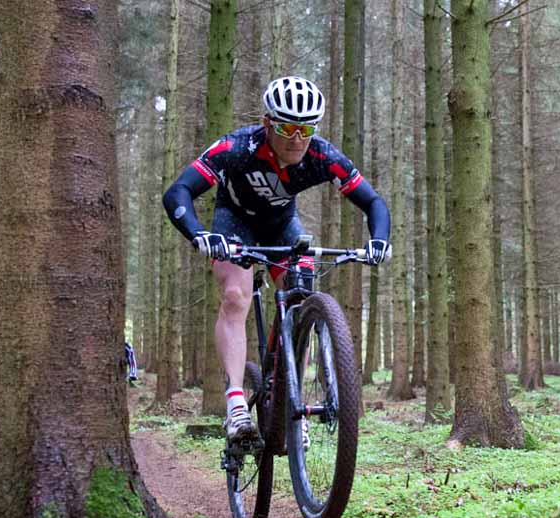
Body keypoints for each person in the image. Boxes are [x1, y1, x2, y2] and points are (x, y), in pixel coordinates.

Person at [162, 76, 391, 443]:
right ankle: (236, 402)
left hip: (283, 227)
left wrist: (379, 240)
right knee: (236, 295)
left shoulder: (322, 156)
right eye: (286, 127)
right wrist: (200, 235)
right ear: (268, 123)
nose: (297, 139)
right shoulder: (237, 148)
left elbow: (373, 202)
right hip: (234, 224)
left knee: (301, 299)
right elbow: (179, 191)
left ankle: (290, 397)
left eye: (306, 129)